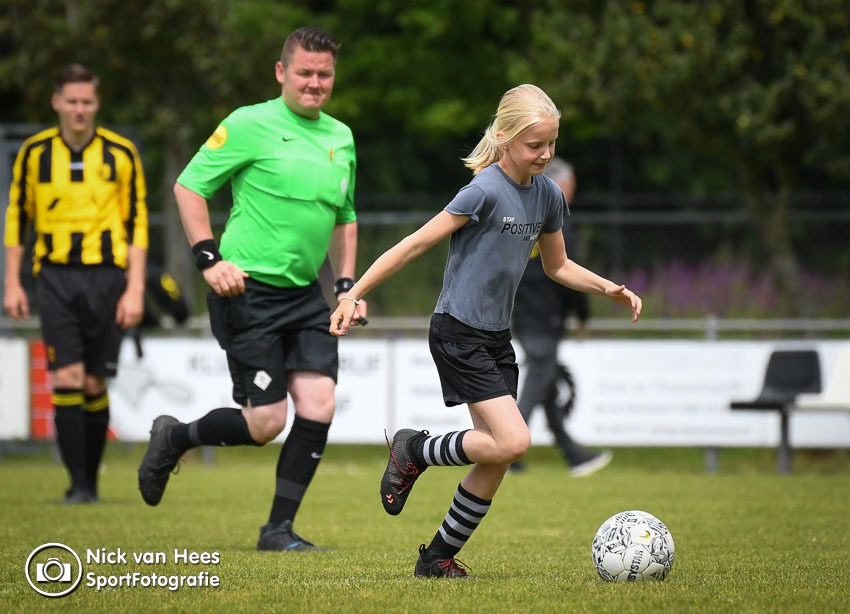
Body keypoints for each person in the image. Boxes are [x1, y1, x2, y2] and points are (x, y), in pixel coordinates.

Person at [330, 84, 641, 578]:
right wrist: (352, 294)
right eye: (534, 145)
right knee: (513, 442)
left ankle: (436, 559)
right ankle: (414, 449)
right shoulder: (483, 191)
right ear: (504, 138)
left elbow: (558, 266)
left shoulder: (548, 196)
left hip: (496, 337)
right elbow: (414, 244)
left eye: (551, 143)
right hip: (457, 331)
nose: (545, 154)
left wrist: (609, 288)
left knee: (495, 455)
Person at [137, 27, 366, 551]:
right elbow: (189, 186)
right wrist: (208, 259)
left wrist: (346, 287)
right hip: (247, 292)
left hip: (306, 295)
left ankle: (277, 530)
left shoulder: (341, 137)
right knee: (265, 423)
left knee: (320, 402)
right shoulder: (248, 123)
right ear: (282, 72)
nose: (315, 83)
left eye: (325, 74)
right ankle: (173, 437)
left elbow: (345, 218)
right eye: (304, 72)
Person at [3, 63, 148, 504]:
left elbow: (137, 222)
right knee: (66, 375)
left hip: (107, 277)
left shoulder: (121, 153)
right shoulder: (35, 153)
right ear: (57, 102)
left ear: (96, 103)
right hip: (54, 276)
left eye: (87, 101)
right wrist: (12, 283)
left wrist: (135, 288)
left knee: (94, 382)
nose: (79, 109)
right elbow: (18, 217)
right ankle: (77, 485)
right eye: (72, 101)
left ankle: (91, 484)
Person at [510, 158, 612, 476]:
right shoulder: (557, 223)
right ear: (558, 185)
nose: (572, 194)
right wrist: (582, 314)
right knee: (540, 377)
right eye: (570, 187)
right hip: (545, 317)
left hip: (520, 313)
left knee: (548, 386)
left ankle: (573, 455)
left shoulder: (523, 218)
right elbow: (571, 273)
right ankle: (508, 447)